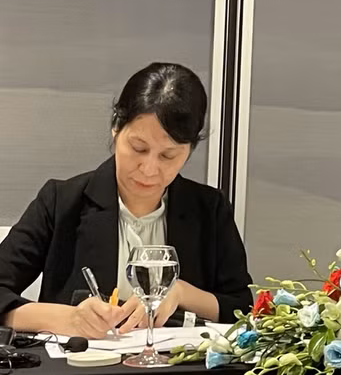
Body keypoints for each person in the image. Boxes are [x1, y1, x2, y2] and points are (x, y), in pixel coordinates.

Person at [0, 63, 253, 338]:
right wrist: (68, 319)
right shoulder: (61, 202)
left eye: (168, 156)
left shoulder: (209, 209)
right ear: (116, 128)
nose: (149, 169)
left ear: (190, 151)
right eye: (138, 148)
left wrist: (180, 292)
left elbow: (242, 307)